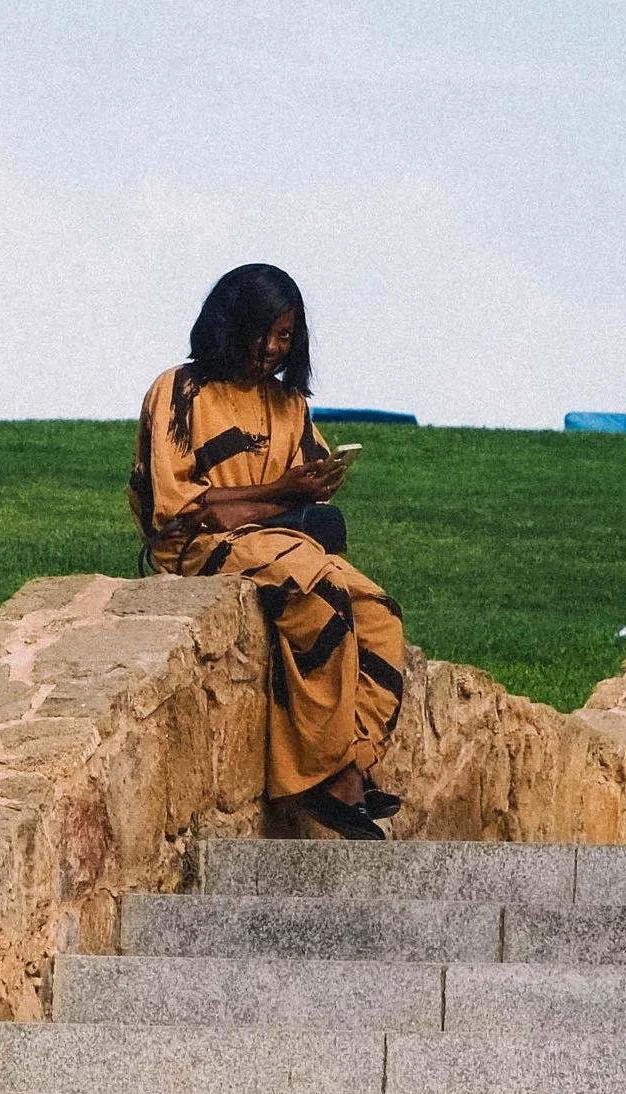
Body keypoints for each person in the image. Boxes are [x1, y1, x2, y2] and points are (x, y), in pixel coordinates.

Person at [132, 263, 406, 840]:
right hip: (199, 547)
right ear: (231, 325)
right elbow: (177, 506)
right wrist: (279, 492)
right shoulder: (180, 391)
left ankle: (352, 761)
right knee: (320, 595)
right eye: (266, 333)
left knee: (379, 614)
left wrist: (311, 486)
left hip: (279, 540)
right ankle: (320, 774)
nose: (275, 348)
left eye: (286, 336)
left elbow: (298, 485)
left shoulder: (289, 404)